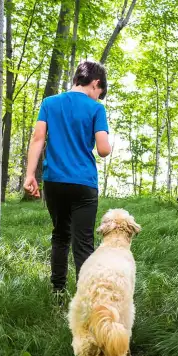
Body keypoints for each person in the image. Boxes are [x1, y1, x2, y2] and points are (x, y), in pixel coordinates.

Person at [23, 59, 112, 296]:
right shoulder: (96, 110)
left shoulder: (50, 103)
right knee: (83, 242)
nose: (98, 98)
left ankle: (58, 291)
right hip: (83, 183)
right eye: (99, 93)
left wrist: (30, 175)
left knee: (60, 235)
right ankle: (86, 298)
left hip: (54, 181)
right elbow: (103, 150)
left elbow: (38, 139)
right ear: (96, 83)